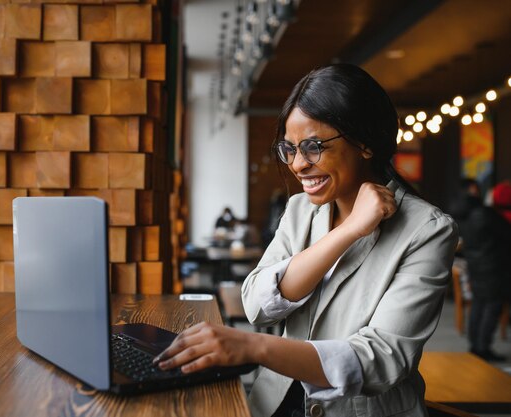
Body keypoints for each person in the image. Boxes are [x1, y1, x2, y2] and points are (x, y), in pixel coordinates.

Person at [153, 64, 458, 417]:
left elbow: (382, 361)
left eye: (313, 147)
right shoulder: (301, 209)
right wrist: (348, 232)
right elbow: (256, 305)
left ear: (364, 143)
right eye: (289, 148)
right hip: (275, 403)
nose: (298, 165)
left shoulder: (427, 230)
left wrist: (255, 348)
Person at [450, 179, 511, 361]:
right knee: (492, 306)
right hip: (493, 266)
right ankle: (483, 348)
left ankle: (475, 345)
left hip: (476, 265)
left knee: (479, 303)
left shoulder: (464, 213)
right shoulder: (485, 214)